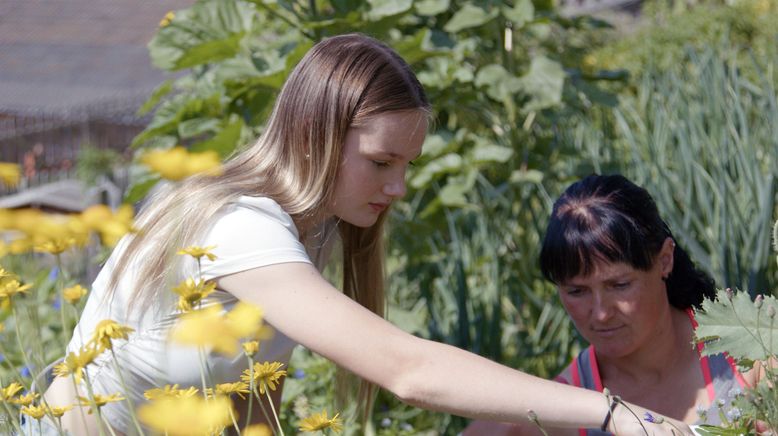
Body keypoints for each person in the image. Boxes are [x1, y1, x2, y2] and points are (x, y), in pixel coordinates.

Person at [37, 36, 690, 435]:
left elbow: (254, 395)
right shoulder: (237, 225)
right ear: (314, 135)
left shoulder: (305, 232)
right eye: (381, 163)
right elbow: (409, 371)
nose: (397, 188)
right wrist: (611, 413)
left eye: (406, 165)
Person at [464, 174, 755, 436]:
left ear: (665, 260)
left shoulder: (749, 355)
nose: (601, 313)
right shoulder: (559, 412)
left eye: (619, 285)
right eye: (577, 291)